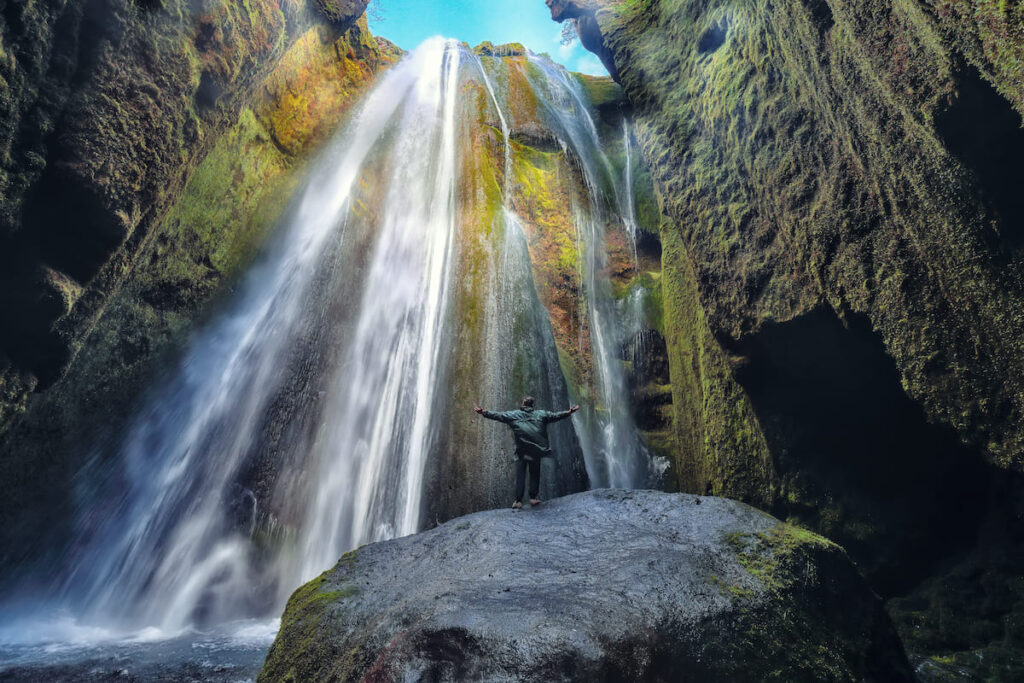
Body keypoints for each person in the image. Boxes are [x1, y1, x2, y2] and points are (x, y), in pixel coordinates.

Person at [474, 396, 580, 509]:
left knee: (521, 474)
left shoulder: (514, 415)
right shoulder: (541, 414)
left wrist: (483, 412)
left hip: (522, 450)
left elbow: (498, 416)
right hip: (536, 450)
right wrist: (569, 412)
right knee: (534, 473)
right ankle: (533, 498)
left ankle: (518, 501)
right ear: (533, 405)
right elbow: (555, 416)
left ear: (523, 404)